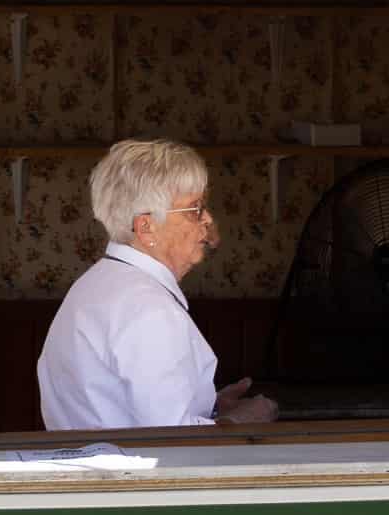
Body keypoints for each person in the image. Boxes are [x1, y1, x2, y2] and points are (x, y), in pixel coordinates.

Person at [38, 138, 277, 430]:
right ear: (146, 227)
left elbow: (127, 405)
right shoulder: (146, 308)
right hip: (128, 473)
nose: (208, 219)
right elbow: (174, 440)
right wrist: (238, 421)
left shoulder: (98, 284)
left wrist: (208, 406)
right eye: (194, 209)